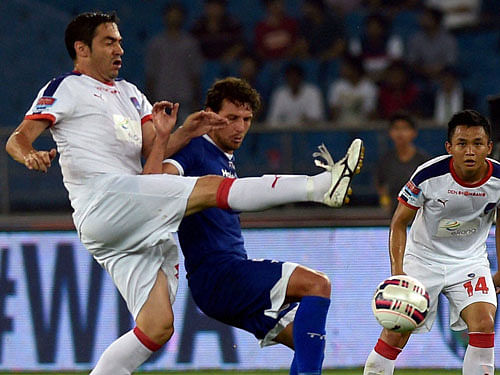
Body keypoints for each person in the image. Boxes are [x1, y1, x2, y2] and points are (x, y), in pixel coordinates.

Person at [4, 12, 364, 374]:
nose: (120, 49)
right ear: (82, 48)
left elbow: (150, 162)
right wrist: (30, 155)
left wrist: (178, 134)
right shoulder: (65, 87)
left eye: (120, 42)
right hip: (104, 200)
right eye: (109, 42)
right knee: (211, 188)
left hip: (131, 214)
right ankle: (318, 186)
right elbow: (18, 139)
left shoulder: (130, 95)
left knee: (156, 327)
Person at [161, 76, 331, 375]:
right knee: (318, 285)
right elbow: (158, 183)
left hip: (222, 278)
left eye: (246, 119)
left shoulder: (224, 157)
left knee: (307, 341)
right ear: (209, 115)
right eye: (231, 118)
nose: (239, 127)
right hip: (220, 275)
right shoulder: (195, 150)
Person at [364, 109, 500, 375]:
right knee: (396, 331)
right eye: (462, 144)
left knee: (484, 322)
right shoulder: (428, 175)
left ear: (489, 147)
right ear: (449, 147)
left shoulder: (499, 179)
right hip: (423, 259)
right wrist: (398, 275)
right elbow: (399, 222)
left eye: (477, 144)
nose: (470, 151)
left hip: (469, 261)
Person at [145, 2, 203, 123]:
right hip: (161, 99)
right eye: (171, 15)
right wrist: (149, 100)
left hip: (185, 99)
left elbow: (195, 74)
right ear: (165, 17)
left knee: (185, 137)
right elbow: (151, 74)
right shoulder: (156, 43)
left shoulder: (190, 43)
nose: (174, 19)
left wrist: (196, 100)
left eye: (177, 15)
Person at [375, 112, 429, 214]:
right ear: (390, 133)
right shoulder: (385, 160)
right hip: (394, 213)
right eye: (396, 128)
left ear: (414, 133)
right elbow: (380, 184)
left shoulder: (423, 160)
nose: (400, 133)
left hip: (419, 214)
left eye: (405, 129)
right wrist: (385, 202)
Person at [267, 62, 325, 128]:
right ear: (286, 78)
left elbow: (316, 118)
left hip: (309, 133)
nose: (293, 79)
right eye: (290, 76)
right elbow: (272, 120)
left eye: (296, 76)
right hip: (284, 133)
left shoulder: (313, 92)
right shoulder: (279, 94)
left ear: (301, 78)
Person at [327, 54, 378, 126]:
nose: (342, 69)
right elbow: (333, 112)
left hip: (363, 126)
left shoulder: (369, 87)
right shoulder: (337, 86)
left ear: (355, 69)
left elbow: (371, 112)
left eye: (346, 67)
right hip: (341, 127)